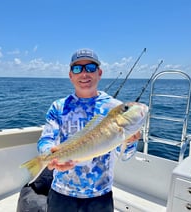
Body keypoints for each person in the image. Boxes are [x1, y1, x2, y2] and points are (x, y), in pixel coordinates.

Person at [36, 48, 140, 212]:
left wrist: (131, 141)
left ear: (99, 72)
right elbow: (46, 139)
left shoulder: (115, 107)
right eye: (77, 69)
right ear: (71, 75)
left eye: (90, 68)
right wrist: (50, 155)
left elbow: (125, 155)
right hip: (61, 193)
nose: (84, 74)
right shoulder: (58, 107)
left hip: (100, 195)